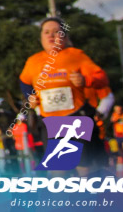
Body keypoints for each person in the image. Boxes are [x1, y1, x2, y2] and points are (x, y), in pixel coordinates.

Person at [19, 17, 109, 170]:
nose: (51, 36)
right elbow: (24, 82)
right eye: (46, 32)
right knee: (57, 170)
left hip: (76, 117)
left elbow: (102, 78)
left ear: (65, 37)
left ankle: (87, 193)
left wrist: (85, 79)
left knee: (83, 168)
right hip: (50, 121)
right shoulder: (33, 61)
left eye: (56, 32)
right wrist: (31, 98)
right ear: (40, 38)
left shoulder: (76, 56)